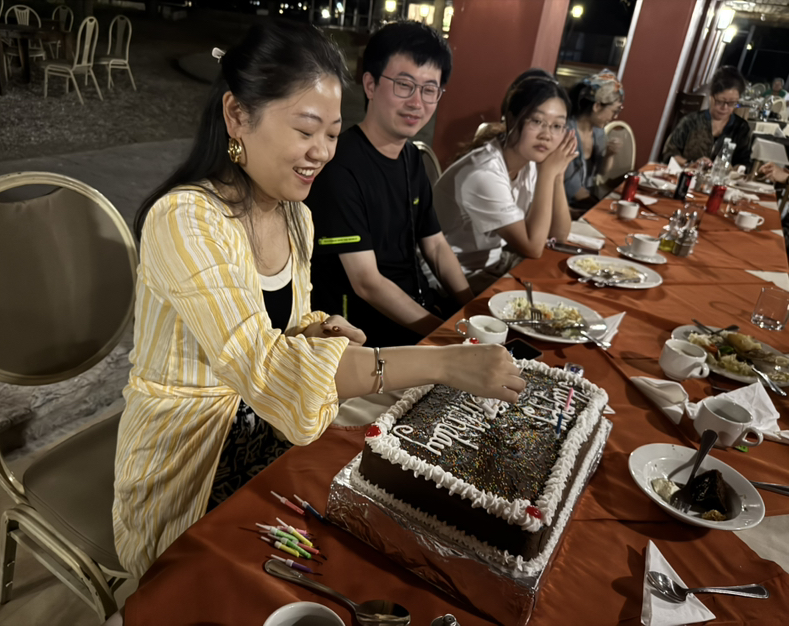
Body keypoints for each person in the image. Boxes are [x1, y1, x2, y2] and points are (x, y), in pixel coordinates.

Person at [112, 22, 525, 579]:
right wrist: (444, 363)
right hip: (191, 458)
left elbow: (285, 331)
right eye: (306, 130)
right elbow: (264, 365)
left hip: (273, 429)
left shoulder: (296, 217)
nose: (323, 153)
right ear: (237, 115)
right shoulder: (188, 219)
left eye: (331, 134)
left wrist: (315, 330)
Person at [306, 21, 473, 348]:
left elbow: (436, 246)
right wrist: (443, 336)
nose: (417, 102)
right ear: (370, 84)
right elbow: (366, 283)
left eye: (429, 89)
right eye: (404, 85)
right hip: (366, 334)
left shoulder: (411, 157)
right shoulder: (339, 166)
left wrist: (471, 309)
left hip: (417, 311)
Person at [432, 75, 576, 293]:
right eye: (537, 121)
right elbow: (533, 248)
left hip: (493, 267)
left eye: (557, 126)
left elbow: (559, 236)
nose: (547, 135)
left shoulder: (530, 162)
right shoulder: (483, 174)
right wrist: (548, 174)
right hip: (454, 282)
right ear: (511, 119)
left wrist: (557, 176)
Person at [662, 66, 752, 170]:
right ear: (711, 97)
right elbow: (669, 154)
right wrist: (690, 163)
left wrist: (732, 168)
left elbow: (745, 164)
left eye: (732, 103)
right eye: (720, 101)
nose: (725, 107)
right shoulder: (691, 121)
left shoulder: (741, 128)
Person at [564, 70, 625, 212]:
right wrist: (599, 207)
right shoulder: (567, 131)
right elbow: (570, 185)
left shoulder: (598, 131)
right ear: (597, 106)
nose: (615, 117)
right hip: (566, 205)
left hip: (584, 200)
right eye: (614, 111)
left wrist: (609, 155)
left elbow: (601, 172)